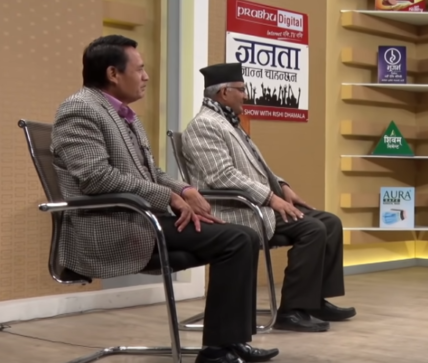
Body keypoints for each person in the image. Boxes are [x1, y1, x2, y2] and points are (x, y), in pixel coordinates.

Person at [51, 35, 279, 363]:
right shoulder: (80, 109)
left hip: (142, 218)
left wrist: (185, 190)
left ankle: (229, 343)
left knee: (242, 236)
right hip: (113, 225)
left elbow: (152, 172)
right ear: (113, 73)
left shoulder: (123, 114)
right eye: (140, 69)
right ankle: (219, 350)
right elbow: (96, 178)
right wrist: (168, 197)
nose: (146, 77)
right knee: (237, 239)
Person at [181, 62, 356, 333]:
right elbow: (222, 175)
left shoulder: (229, 122)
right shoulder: (204, 125)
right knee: (312, 228)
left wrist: (282, 186)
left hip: (256, 203)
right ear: (224, 93)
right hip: (234, 209)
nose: (246, 95)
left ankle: (314, 302)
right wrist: (270, 198)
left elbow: (256, 167)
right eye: (241, 89)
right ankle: (292, 311)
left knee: (330, 222)